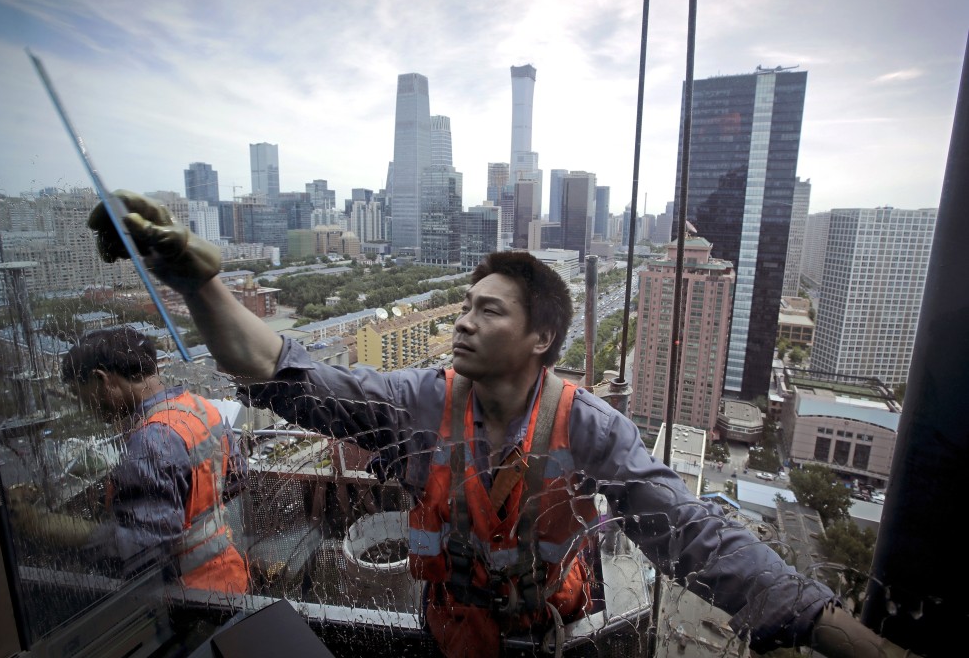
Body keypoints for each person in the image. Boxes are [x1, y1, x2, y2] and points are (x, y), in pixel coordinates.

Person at [87, 191, 916, 657]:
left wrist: (836, 630)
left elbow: (689, 530)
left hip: (543, 642)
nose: (465, 321)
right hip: (446, 637)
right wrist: (195, 281)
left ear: (540, 338)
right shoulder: (418, 400)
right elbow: (279, 371)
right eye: (466, 305)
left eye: (489, 310)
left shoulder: (584, 427)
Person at [9, 326, 249, 595]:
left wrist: (39, 524)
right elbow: (236, 479)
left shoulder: (152, 439)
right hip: (226, 575)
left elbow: (137, 547)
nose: (84, 406)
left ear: (102, 379)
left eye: (80, 393)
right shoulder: (201, 407)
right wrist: (193, 515)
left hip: (185, 595)